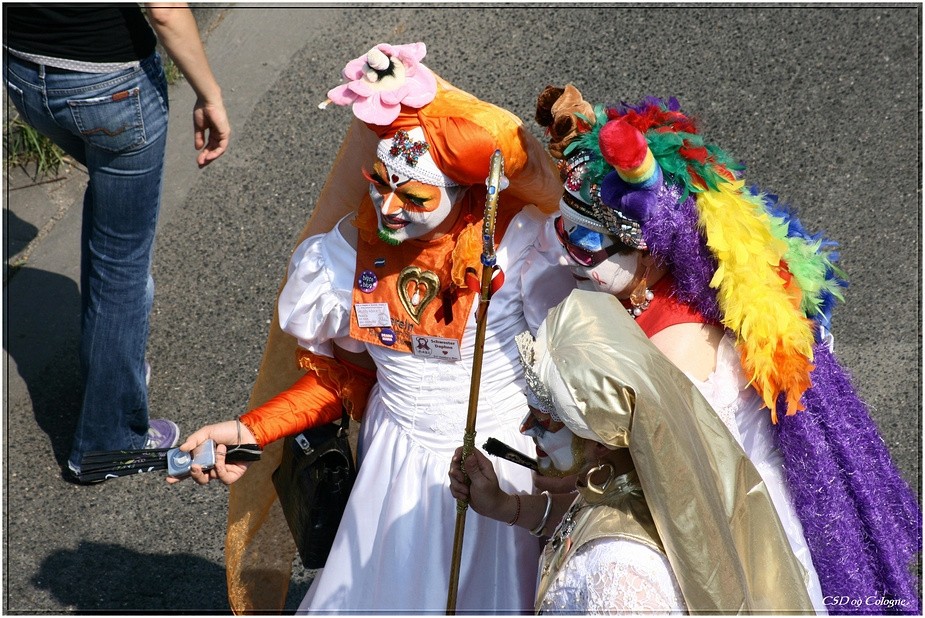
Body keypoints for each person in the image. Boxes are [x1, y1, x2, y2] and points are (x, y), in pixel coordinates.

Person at [463, 85, 920, 613]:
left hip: (729, 545)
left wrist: (543, 480)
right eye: (561, 233)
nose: (568, 258)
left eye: (586, 242)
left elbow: (646, 506)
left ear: (653, 247)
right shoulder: (646, 296)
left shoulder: (677, 352)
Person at [169, 43, 575, 613]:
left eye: (413, 195)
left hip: (501, 470)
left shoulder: (520, 245)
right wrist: (253, 428)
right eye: (379, 182)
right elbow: (344, 381)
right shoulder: (342, 259)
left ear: (464, 193)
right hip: (394, 467)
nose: (387, 207)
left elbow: (575, 368)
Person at [450, 290, 817, 613]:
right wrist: (502, 505)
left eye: (545, 420)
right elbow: (587, 518)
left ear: (597, 438)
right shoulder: (634, 477)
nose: (524, 430)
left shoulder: (619, 573)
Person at [3, 3, 231, 484]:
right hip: (110, 84)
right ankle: (107, 444)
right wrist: (209, 93)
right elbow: (164, 9)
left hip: (24, 72)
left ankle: (115, 372)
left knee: (111, 226)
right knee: (123, 265)